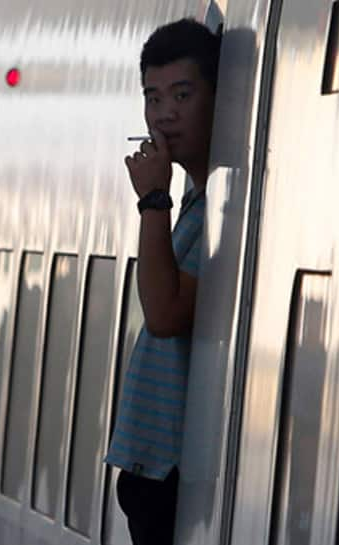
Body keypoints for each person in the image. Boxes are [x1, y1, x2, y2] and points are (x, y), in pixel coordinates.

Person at [103, 18, 220, 545]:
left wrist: (153, 199)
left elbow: (166, 314)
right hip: (154, 472)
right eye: (153, 97)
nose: (164, 113)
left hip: (176, 477)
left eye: (182, 94)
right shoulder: (197, 200)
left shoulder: (216, 206)